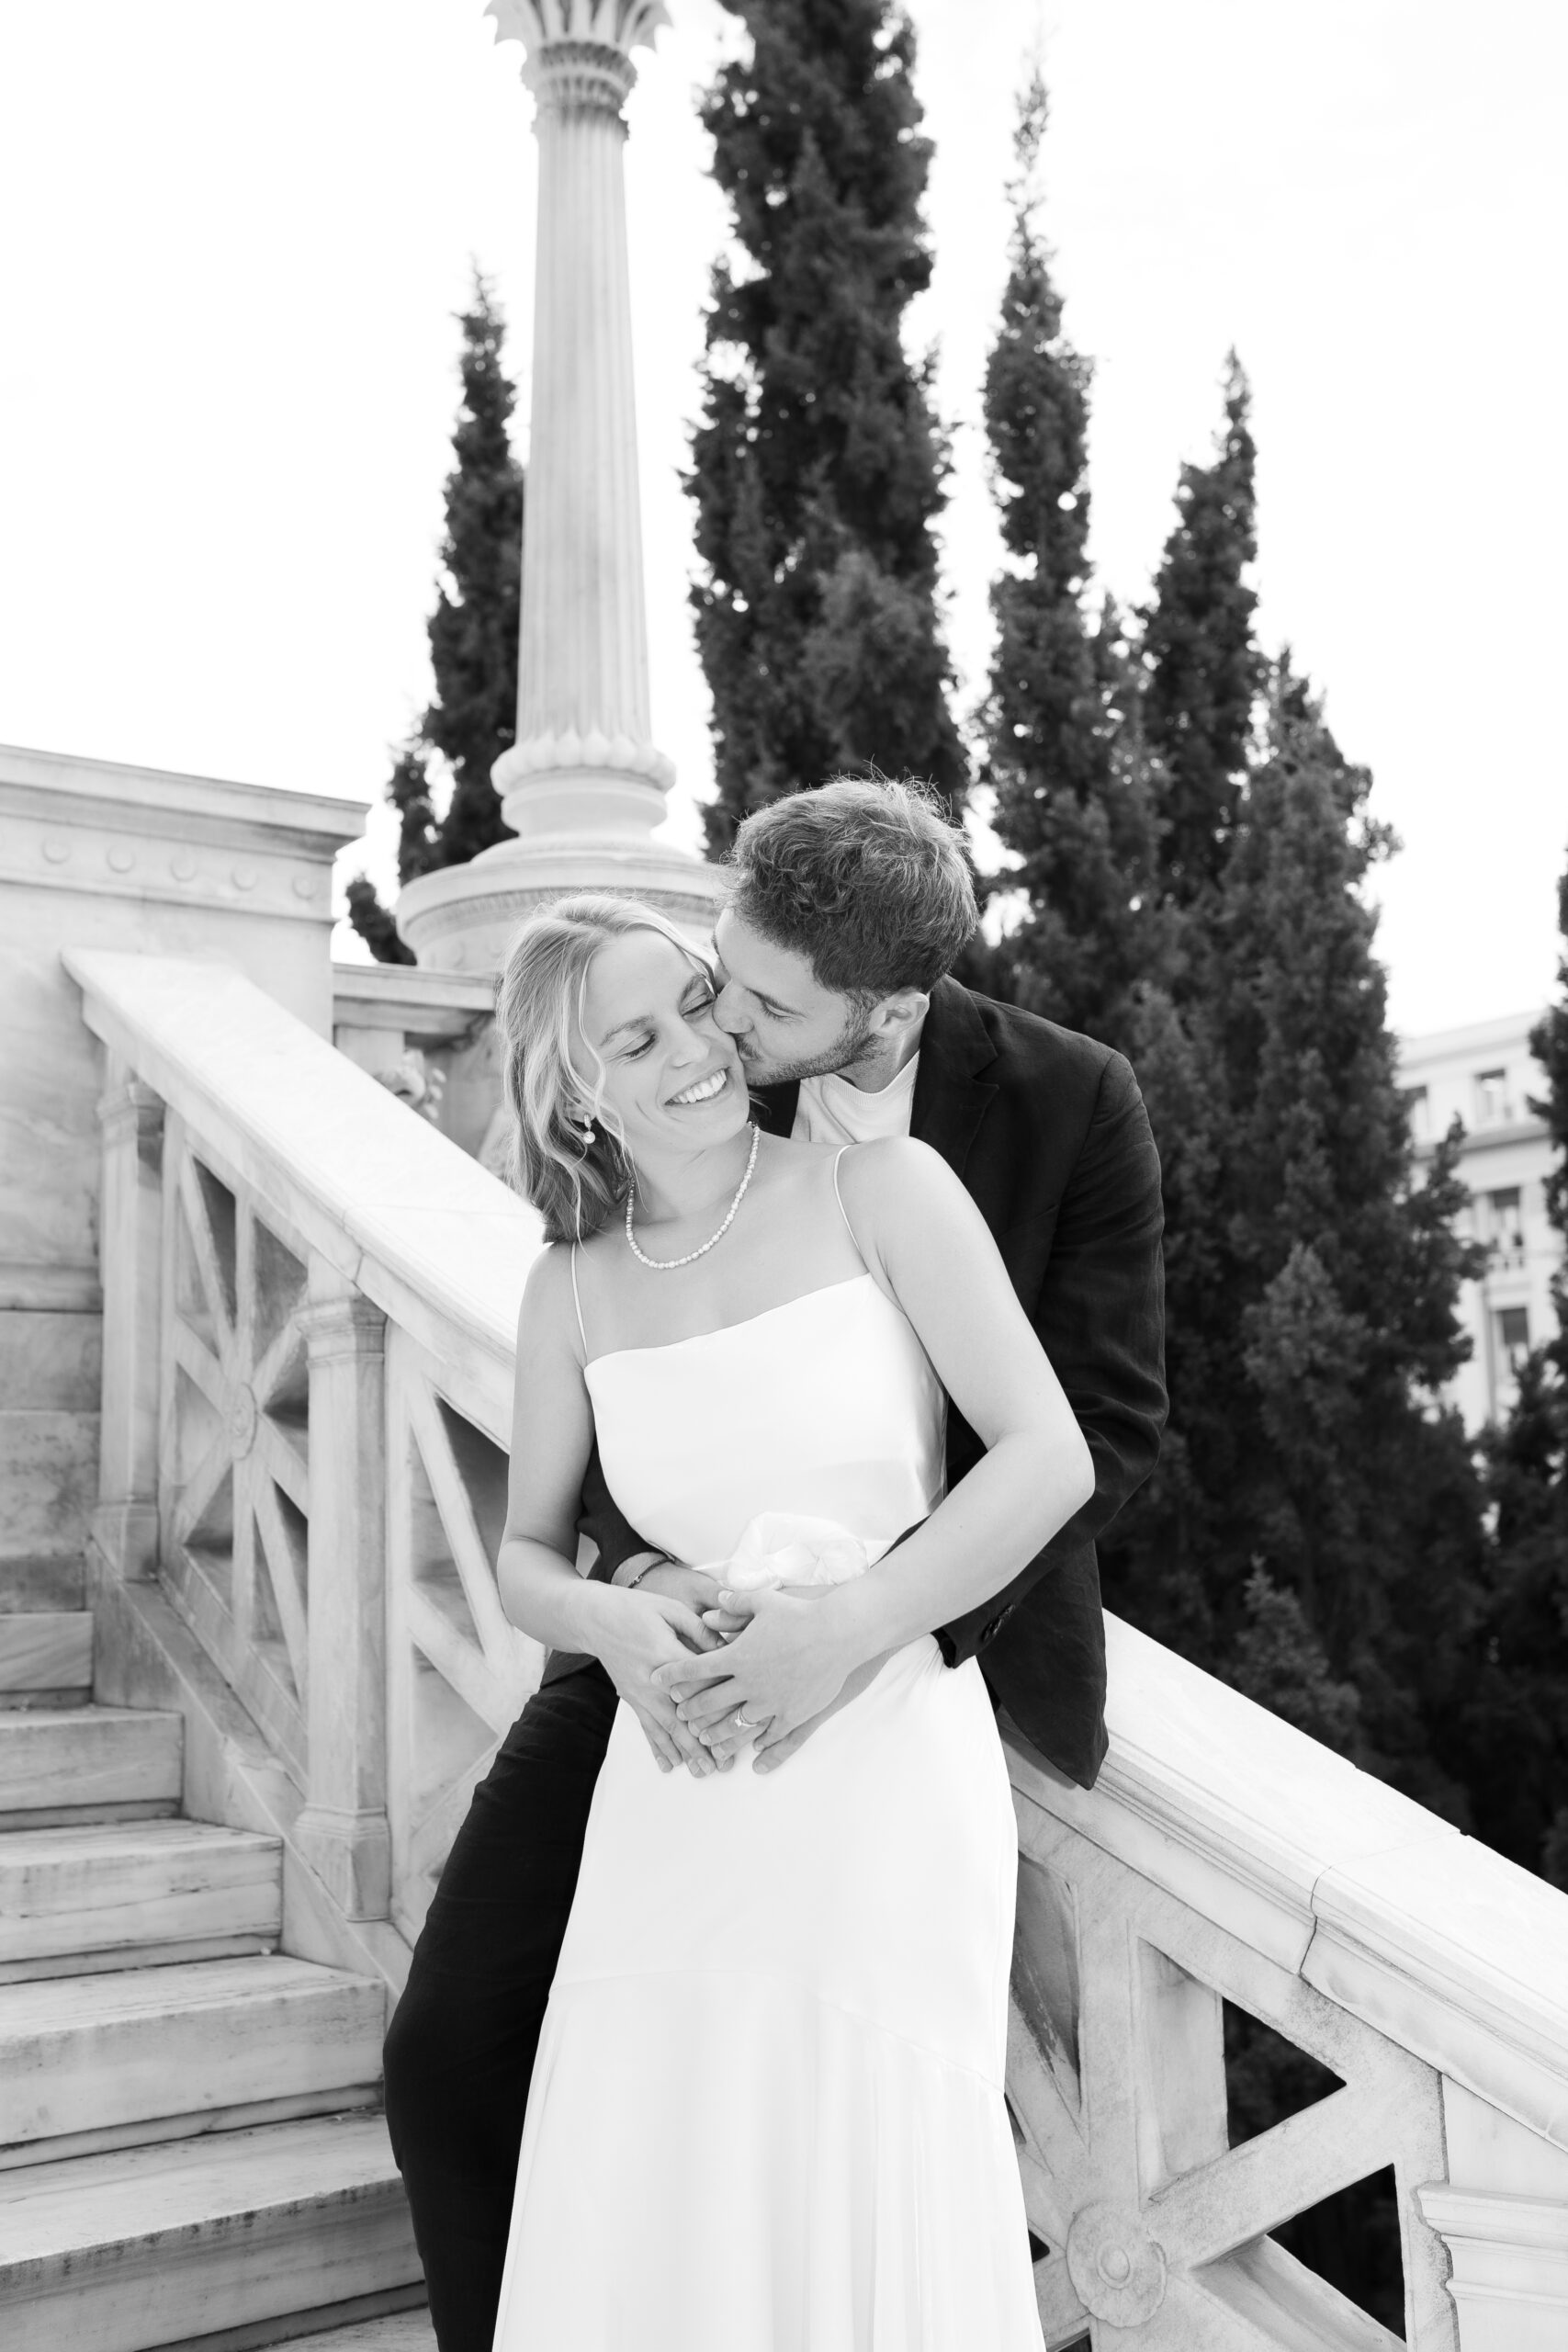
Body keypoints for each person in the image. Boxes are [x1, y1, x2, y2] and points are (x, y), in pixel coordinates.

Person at [382, 780, 1168, 2350]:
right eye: (687, 1003)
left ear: (880, 1010)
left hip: (901, 1689)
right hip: (663, 1717)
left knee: (852, 2139)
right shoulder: (578, 1284)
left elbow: (1091, 1440)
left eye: (736, 1007)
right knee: (492, 2064)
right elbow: (555, 1520)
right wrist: (637, 1601)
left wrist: (853, 1631)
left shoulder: (1014, 1128)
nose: (721, 1036)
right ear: (580, 1090)